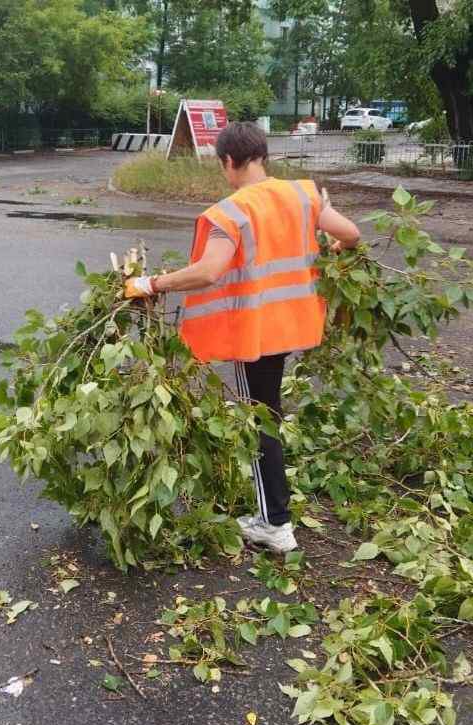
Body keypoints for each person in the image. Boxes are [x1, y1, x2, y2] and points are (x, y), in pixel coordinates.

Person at [124, 121, 360, 552]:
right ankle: (275, 513)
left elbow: (208, 271)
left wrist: (151, 284)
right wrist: (328, 252)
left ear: (229, 162)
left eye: (222, 166)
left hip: (256, 332)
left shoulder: (231, 212)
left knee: (259, 419)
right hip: (292, 324)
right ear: (263, 156)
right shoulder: (303, 195)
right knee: (268, 411)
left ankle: (274, 523)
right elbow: (351, 235)